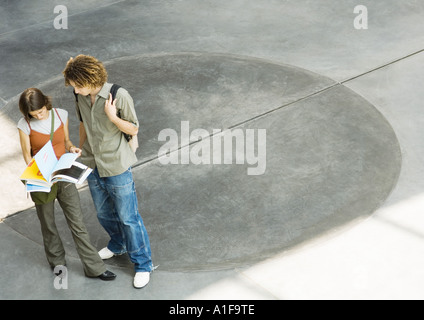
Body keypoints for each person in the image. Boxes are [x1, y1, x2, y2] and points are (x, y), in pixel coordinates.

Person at [62, 55, 154, 289]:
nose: (74, 89)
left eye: (77, 85)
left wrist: (113, 117)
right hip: (93, 163)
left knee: (129, 218)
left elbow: (133, 127)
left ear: (90, 80)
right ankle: (118, 243)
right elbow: (83, 122)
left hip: (116, 165)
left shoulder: (119, 95)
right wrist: (80, 148)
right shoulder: (79, 95)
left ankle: (143, 264)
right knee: (103, 213)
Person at [17, 87, 116, 281]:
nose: (38, 115)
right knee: (48, 223)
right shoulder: (24, 124)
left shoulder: (61, 115)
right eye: (34, 114)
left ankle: (94, 267)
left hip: (63, 174)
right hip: (42, 178)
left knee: (77, 222)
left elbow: (67, 141)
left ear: (46, 103)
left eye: (41, 111)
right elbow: (27, 155)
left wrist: (72, 148)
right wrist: (39, 173)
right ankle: (57, 263)